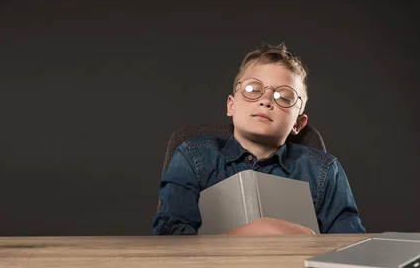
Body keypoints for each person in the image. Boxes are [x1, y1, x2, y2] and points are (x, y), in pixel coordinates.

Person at [153, 43, 365, 235]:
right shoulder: (193, 156)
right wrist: (251, 233)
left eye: (284, 97)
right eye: (252, 90)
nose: (265, 100)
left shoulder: (325, 171)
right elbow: (170, 238)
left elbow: (348, 247)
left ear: (298, 124)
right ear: (231, 105)